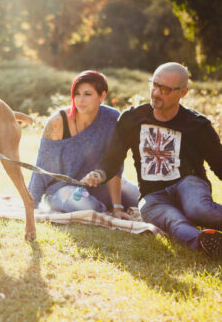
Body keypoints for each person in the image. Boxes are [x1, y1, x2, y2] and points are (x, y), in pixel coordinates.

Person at [81, 62, 222, 259]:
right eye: (154, 85)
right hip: (153, 195)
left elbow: (219, 164)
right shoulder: (131, 119)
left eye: (164, 89)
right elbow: (114, 157)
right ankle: (205, 243)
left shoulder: (197, 125)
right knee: (175, 222)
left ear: (183, 92)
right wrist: (100, 174)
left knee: (197, 210)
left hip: (188, 183)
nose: (156, 93)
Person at [28, 70, 139, 219]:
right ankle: (101, 208)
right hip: (62, 190)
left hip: (99, 186)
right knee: (83, 204)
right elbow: (40, 168)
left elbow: (115, 165)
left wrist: (117, 207)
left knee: (140, 198)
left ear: (102, 96)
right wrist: (31, 206)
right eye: (77, 94)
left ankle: (106, 207)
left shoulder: (112, 118)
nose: (80, 100)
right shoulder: (58, 122)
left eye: (87, 94)